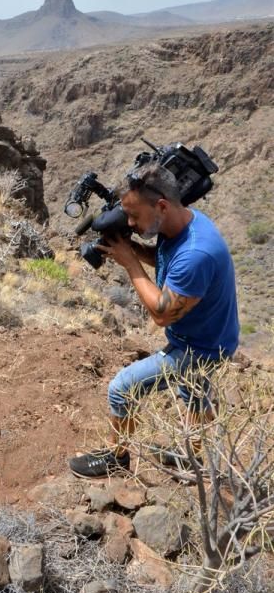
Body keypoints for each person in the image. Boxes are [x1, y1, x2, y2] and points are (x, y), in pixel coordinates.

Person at [69, 162, 239, 478]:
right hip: (215, 335)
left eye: (134, 216)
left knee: (121, 389)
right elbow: (166, 261)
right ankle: (195, 460)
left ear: (161, 205)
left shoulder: (196, 252)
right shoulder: (179, 224)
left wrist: (131, 263)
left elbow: (161, 313)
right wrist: (131, 248)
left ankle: (116, 459)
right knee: (194, 395)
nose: (130, 222)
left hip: (199, 348)